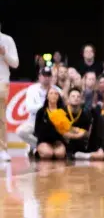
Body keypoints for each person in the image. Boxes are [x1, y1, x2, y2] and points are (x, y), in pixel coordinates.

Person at [16, 68, 60, 153]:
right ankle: (39, 145)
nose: (46, 78)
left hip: (52, 122)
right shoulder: (32, 89)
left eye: (48, 76)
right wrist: (47, 106)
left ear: (51, 77)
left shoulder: (57, 90)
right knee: (20, 131)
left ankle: (42, 147)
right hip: (34, 121)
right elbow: (30, 108)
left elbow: (60, 108)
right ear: (39, 77)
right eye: (44, 75)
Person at [0, 23, 19, 162]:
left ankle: (2, 150)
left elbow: (15, 63)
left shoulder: (7, 40)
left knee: (0, 117)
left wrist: (4, 53)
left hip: (1, 81)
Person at [63, 88, 99, 161]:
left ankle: (77, 155)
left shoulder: (87, 113)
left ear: (81, 100)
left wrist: (71, 131)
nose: (76, 98)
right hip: (64, 143)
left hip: (80, 143)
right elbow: (62, 133)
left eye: (78, 96)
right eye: (73, 96)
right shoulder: (62, 112)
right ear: (68, 99)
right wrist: (76, 131)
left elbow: (86, 134)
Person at [34, 90, 69, 160]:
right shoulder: (41, 112)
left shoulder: (63, 111)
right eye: (51, 93)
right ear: (47, 96)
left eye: (56, 94)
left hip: (58, 140)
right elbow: (37, 130)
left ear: (58, 97)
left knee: (60, 154)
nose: (53, 95)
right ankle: (37, 151)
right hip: (44, 140)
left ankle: (57, 150)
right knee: (48, 154)